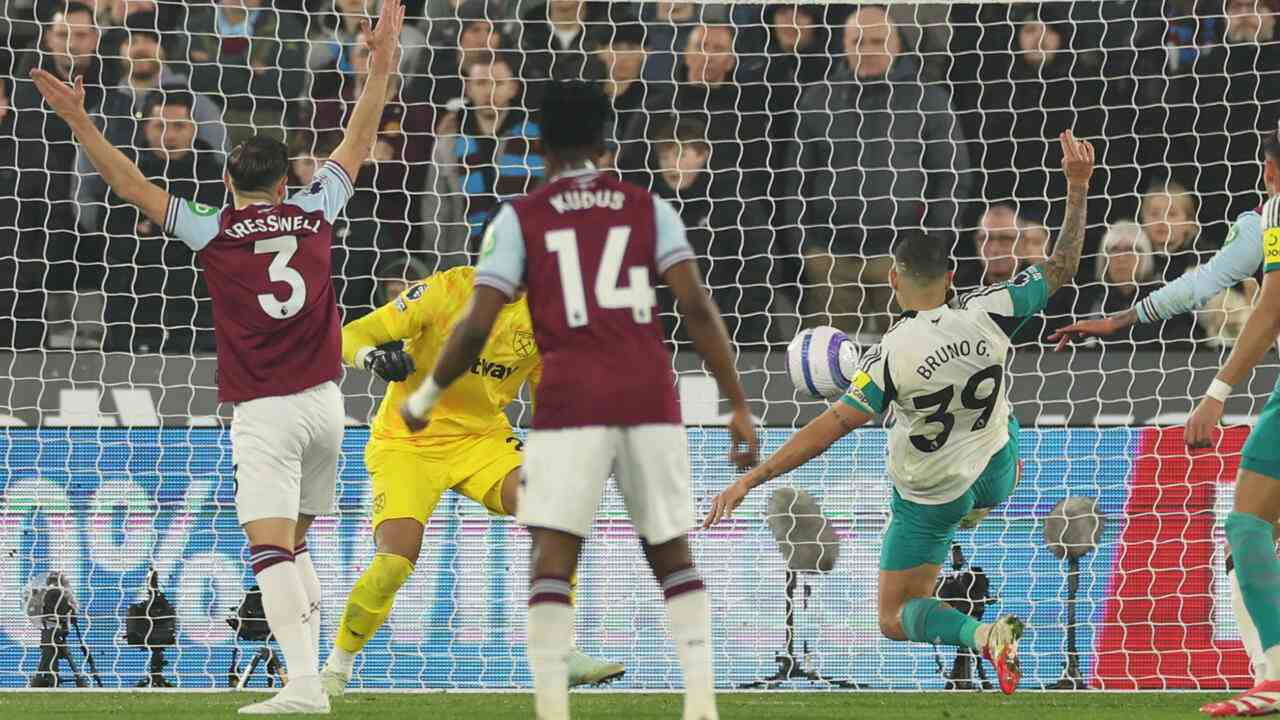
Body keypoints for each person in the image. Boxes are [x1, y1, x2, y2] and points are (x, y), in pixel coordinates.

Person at [29, 1, 406, 713]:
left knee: (268, 551)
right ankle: (323, 675)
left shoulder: (215, 228)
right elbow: (357, 138)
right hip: (330, 406)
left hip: (265, 411)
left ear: (229, 183)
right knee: (294, 546)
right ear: (287, 182)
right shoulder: (318, 207)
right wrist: (382, 62)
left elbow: (129, 186)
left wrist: (81, 120)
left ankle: (300, 689)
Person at [399, 80, 759, 720]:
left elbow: (477, 321)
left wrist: (427, 393)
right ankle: (701, 705)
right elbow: (698, 309)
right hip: (649, 396)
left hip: (568, 405)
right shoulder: (647, 207)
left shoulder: (519, 217)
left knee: (553, 555)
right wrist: (735, 402)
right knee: (672, 553)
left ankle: (552, 709)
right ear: (603, 141)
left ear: (539, 142)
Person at [706, 131, 1095, 698]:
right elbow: (1061, 264)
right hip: (998, 469)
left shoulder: (888, 357)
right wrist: (1077, 186)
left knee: (894, 616)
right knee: (997, 421)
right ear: (954, 278)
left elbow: (830, 428)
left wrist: (754, 475)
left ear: (893, 280)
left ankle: (984, 635)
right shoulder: (993, 309)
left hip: (932, 494)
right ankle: (977, 510)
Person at [320, 264, 625, 695]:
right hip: (408, 440)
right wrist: (373, 357)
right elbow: (351, 335)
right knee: (394, 562)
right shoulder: (444, 289)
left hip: (480, 439)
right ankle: (337, 668)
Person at [1051, 130, 1280, 700]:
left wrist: (1217, 392)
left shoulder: (1275, 210)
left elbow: (1270, 305)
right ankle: (1269, 675)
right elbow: (1205, 280)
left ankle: (1273, 677)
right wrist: (1120, 319)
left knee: (1249, 526)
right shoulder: (1264, 223)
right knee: (1250, 526)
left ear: (1269, 170)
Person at [783, 5, 972, 336]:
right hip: (831, 260)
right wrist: (805, 249)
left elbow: (952, 180)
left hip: (904, 260)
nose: (866, 49)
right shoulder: (816, 99)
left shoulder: (930, 99)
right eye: (857, 40)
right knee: (828, 371)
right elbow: (795, 182)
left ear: (897, 44)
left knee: (910, 368)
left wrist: (932, 248)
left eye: (877, 40)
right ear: (844, 43)